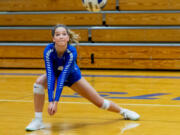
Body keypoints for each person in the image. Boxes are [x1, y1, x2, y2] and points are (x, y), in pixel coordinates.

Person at [25, 24, 140, 131]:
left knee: (100, 103)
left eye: (64, 34)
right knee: (39, 83)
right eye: (57, 34)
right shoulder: (48, 51)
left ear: (68, 38)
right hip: (55, 76)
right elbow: (50, 75)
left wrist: (55, 102)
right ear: (53, 39)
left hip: (72, 77)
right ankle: (38, 120)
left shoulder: (71, 52)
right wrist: (51, 100)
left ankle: (123, 111)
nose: (61, 36)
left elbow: (63, 76)